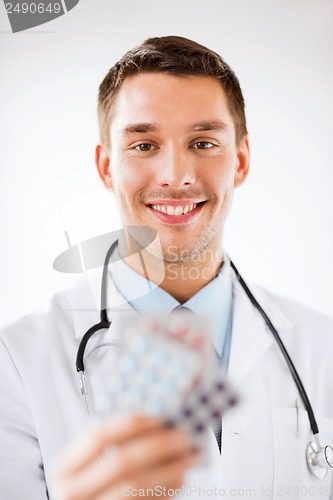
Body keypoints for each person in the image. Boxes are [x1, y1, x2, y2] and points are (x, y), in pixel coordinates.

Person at [0, 35, 333, 500]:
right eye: (143, 145)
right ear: (106, 166)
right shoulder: (15, 364)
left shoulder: (322, 351)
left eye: (202, 142)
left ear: (240, 160)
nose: (176, 175)